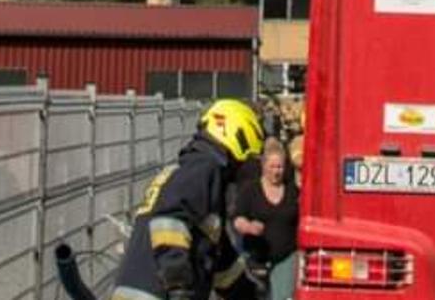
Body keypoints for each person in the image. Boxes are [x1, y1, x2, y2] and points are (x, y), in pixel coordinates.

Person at [111, 99, 264, 300]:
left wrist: (247, 291)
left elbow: (220, 257)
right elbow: (169, 221)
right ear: (238, 137)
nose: (244, 166)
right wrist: (179, 287)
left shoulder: (195, 172)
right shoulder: (204, 167)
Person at [231, 140, 300, 300]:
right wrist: (248, 227)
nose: (276, 172)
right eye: (272, 167)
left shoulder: (292, 191)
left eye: (280, 167)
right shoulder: (250, 189)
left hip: (285, 257)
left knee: (282, 296)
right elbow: (237, 218)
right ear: (263, 166)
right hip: (256, 258)